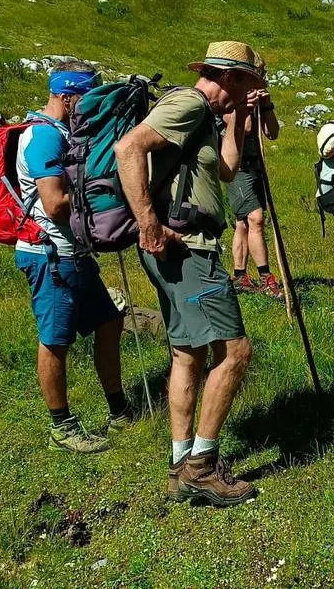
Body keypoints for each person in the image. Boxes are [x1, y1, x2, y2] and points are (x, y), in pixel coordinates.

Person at [114, 41, 264, 507]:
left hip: (179, 248)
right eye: (249, 82)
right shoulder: (188, 104)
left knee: (187, 354)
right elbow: (128, 148)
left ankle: (181, 466)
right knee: (235, 352)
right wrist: (148, 224)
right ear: (229, 77)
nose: (252, 89)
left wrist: (240, 116)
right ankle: (202, 468)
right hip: (188, 250)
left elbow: (227, 170)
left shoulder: (208, 115)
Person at [14, 61, 132, 454]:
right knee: (55, 340)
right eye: (88, 96)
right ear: (67, 97)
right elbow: (55, 205)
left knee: (110, 321)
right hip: (51, 257)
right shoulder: (44, 137)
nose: (93, 104)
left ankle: (119, 410)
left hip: (74, 255)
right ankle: (61, 427)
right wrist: (101, 203)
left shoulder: (66, 133)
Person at [227, 55, 283, 300]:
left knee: (243, 222)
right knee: (256, 218)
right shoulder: (231, 99)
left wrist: (266, 105)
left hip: (255, 166)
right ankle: (265, 276)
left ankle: (240, 275)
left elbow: (272, 132)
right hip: (236, 167)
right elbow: (246, 128)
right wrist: (247, 106)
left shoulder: (257, 99)